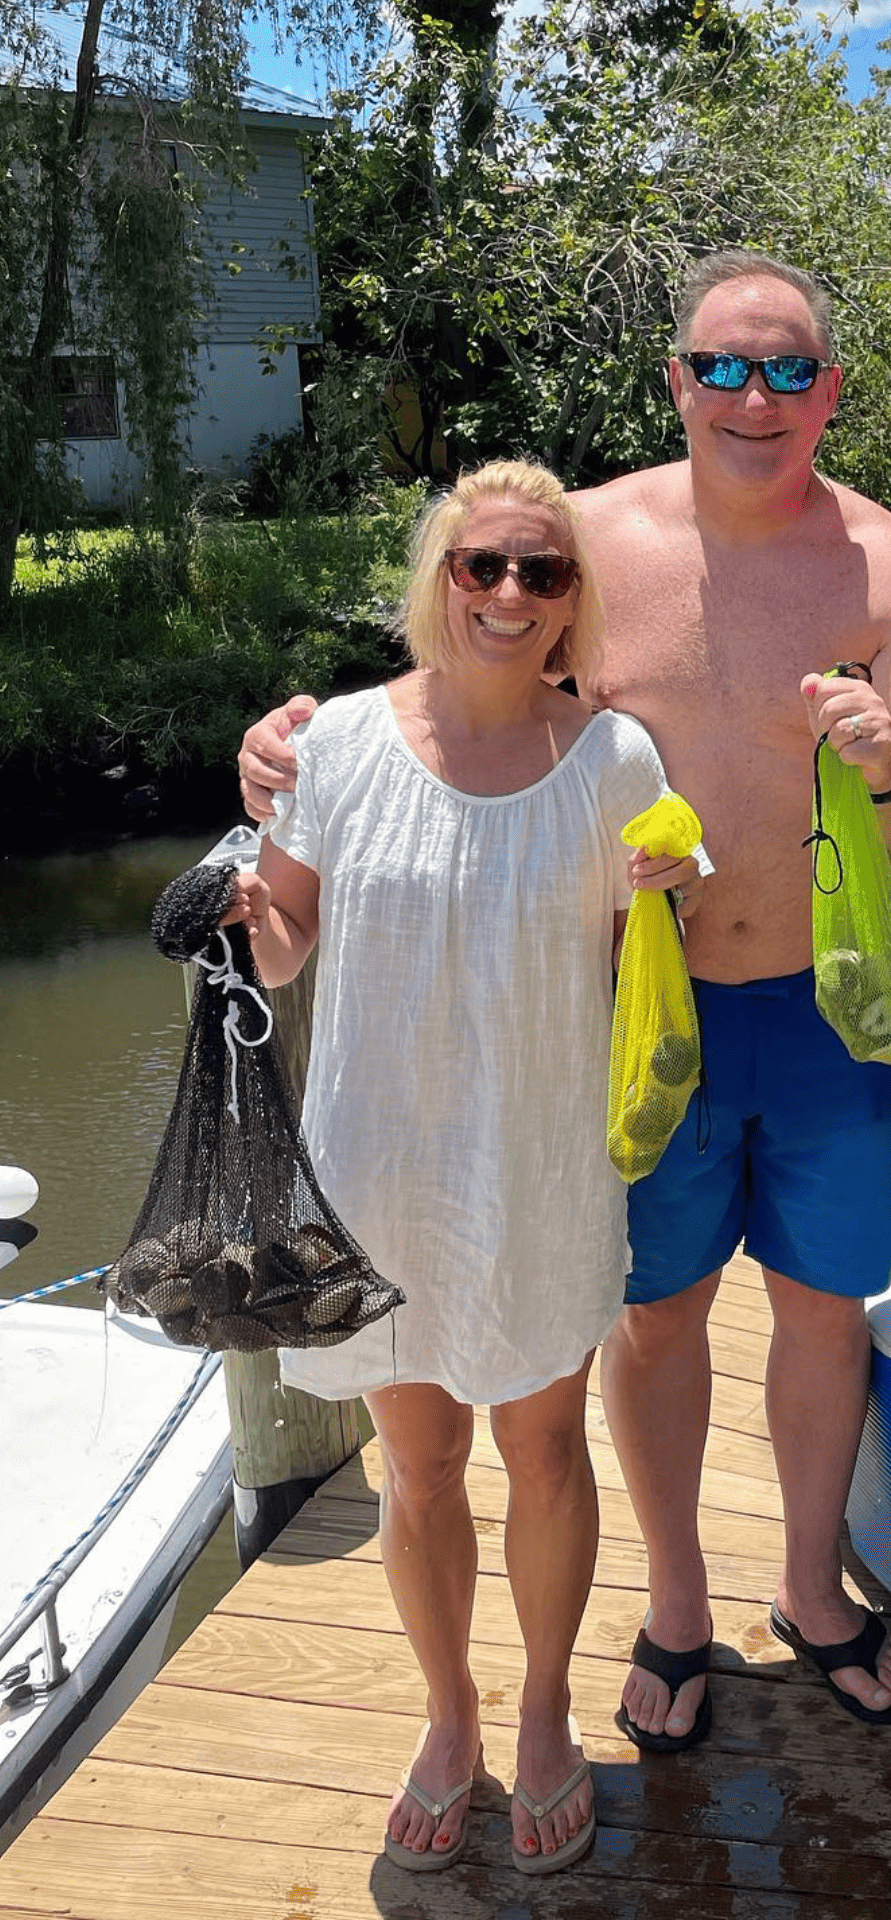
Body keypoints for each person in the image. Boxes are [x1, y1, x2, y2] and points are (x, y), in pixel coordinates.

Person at [238, 251, 891, 1749]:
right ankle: (682, 1603)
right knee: (655, 1316)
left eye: (785, 370)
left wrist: (890, 761)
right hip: (636, 1017)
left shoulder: (890, 566)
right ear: (676, 380)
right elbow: (459, 696)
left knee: (828, 1316)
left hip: (838, 1010)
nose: (752, 398)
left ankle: (815, 1589)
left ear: (829, 389)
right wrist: (285, 749)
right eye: (722, 366)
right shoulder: (588, 542)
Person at [224, 460, 707, 1873]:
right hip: (377, 1167)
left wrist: (670, 899)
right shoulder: (338, 745)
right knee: (418, 1470)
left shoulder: (616, 761)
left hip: (544, 1169)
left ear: (576, 602)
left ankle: (547, 1709)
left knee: (545, 1448)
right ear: (437, 577)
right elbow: (289, 942)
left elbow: (641, 981)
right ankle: (450, 1718)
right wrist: (245, 909)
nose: (509, 595)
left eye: (542, 574)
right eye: (481, 567)